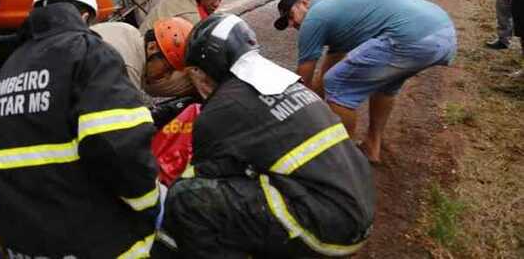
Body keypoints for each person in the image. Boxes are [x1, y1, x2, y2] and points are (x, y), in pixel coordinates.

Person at [152, 13, 375, 259]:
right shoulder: (287, 83)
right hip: (357, 210)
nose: (198, 82)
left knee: (186, 199)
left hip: (326, 229)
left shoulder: (222, 109)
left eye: (197, 72)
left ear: (209, 65)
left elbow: (201, 178)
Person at [0, 0, 159, 258]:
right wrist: (150, 203)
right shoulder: (90, 52)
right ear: (85, 15)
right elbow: (119, 147)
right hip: (80, 238)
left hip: (18, 238)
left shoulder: (12, 64)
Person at [273, 0, 456, 164]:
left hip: (410, 36)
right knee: (385, 85)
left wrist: (296, 118)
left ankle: (346, 161)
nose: (291, 25)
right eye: (286, 23)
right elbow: (326, 71)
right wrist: (317, 104)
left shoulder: (315, 17)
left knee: (337, 84)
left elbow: (304, 77)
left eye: (290, 16)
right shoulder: (337, 13)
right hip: (442, 33)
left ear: (304, 2)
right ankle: (372, 145)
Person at [91, 17, 196, 98]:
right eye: (168, 68)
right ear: (152, 47)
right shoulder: (128, 69)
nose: (167, 77)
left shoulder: (127, 29)